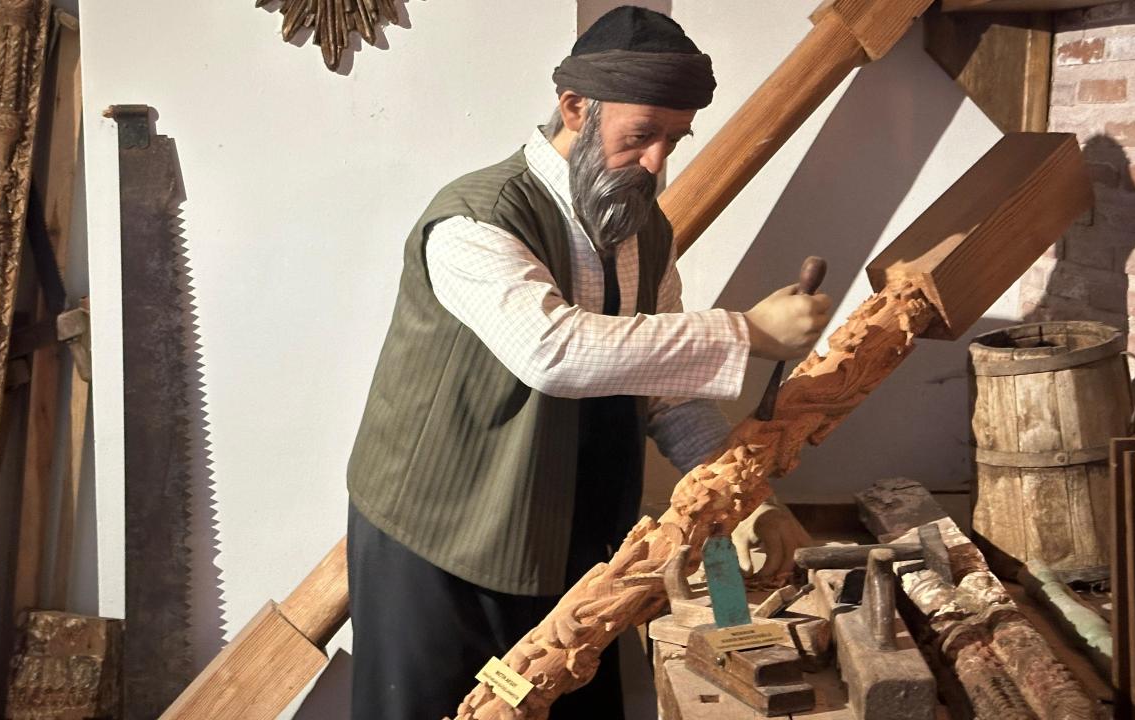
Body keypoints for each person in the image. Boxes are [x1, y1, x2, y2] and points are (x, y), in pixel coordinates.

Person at [344, 7, 831, 719]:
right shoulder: (475, 218)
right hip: (442, 542)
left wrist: (748, 500)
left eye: (674, 140)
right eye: (641, 136)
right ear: (575, 107)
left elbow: (668, 391)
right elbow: (554, 351)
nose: (657, 162)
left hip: (573, 540)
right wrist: (746, 332)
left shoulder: (646, 231)